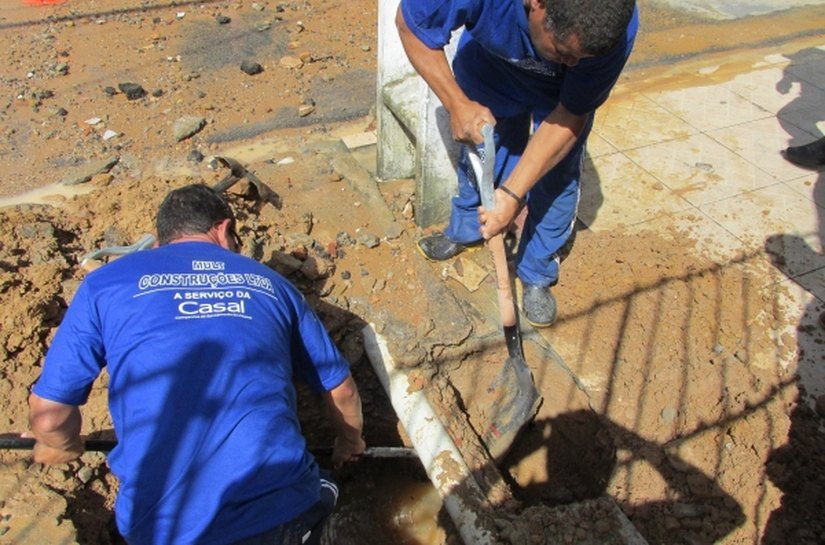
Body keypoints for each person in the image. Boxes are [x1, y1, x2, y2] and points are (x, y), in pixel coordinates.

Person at [27, 184, 365, 545]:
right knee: (323, 486)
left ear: (162, 240)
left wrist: (60, 445)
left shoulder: (103, 285)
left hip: (159, 528)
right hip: (274, 513)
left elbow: (49, 415)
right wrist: (350, 440)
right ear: (223, 229)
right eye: (235, 239)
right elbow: (339, 388)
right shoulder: (271, 284)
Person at [398, 0, 639, 327]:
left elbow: (571, 115)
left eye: (581, 58)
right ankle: (467, 229)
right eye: (563, 49)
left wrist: (512, 195)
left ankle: (537, 270)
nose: (572, 62)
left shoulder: (614, 25)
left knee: (557, 177)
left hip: (560, 96)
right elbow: (412, 25)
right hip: (491, 66)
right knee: (482, 152)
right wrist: (457, 104)